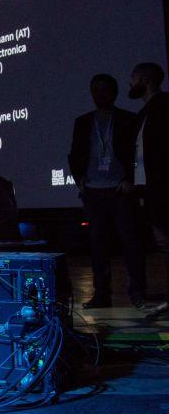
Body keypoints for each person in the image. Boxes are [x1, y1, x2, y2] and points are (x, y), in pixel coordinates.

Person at [68, 73, 143, 308]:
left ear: (114, 92)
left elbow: (138, 154)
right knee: (97, 244)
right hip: (93, 191)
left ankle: (138, 293)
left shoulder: (128, 119)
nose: (99, 94)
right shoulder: (83, 121)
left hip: (120, 190)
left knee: (130, 242)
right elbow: (75, 154)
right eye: (95, 90)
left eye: (103, 89)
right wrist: (79, 180)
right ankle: (101, 293)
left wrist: (131, 179)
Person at [127, 62, 169, 317]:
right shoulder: (145, 112)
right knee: (164, 245)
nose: (130, 84)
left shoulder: (163, 107)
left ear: (144, 79)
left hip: (164, 190)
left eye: (133, 79)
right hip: (151, 193)